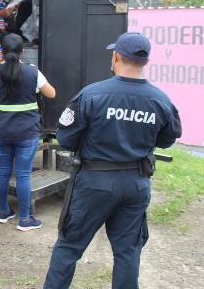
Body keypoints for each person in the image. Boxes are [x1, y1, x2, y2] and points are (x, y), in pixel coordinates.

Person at [43, 32, 182, 289]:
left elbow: (66, 137)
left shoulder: (92, 95)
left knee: (69, 247)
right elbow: (167, 140)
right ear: (146, 61)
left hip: (95, 183)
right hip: (136, 184)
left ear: (116, 56)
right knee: (128, 251)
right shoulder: (161, 100)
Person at [0, 34, 56, 231]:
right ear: (23, 51)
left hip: (2, 132)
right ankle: (25, 219)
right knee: (23, 175)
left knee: (3, 172)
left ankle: (4, 212)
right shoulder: (33, 73)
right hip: (27, 132)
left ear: (1, 50)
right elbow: (52, 93)